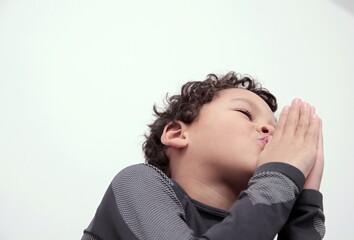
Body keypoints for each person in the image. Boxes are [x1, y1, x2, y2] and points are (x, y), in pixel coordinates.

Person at [81, 72, 325, 240]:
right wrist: (280, 175)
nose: (270, 130)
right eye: (245, 112)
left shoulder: (261, 223)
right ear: (177, 133)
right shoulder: (136, 181)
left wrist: (305, 204)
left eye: (276, 127)